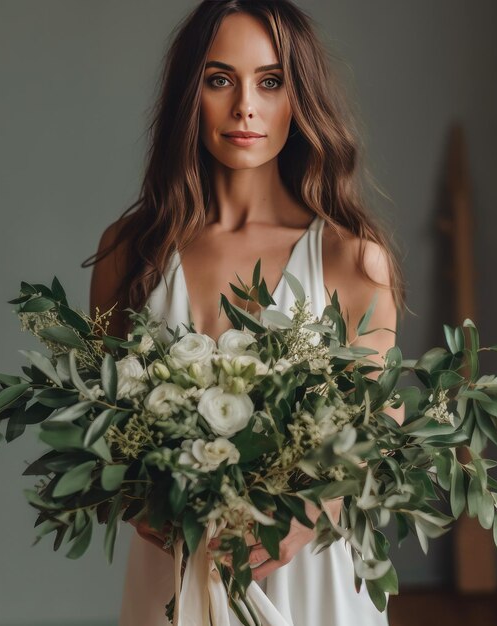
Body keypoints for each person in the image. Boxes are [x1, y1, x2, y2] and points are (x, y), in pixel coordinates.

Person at [85, 1, 407, 624]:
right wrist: (138, 500)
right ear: (190, 94)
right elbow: (94, 423)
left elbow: (380, 432)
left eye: (270, 80)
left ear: (299, 96)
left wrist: (308, 515)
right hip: (174, 570)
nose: (244, 107)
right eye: (219, 79)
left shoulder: (349, 258)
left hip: (308, 574)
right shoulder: (129, 252)